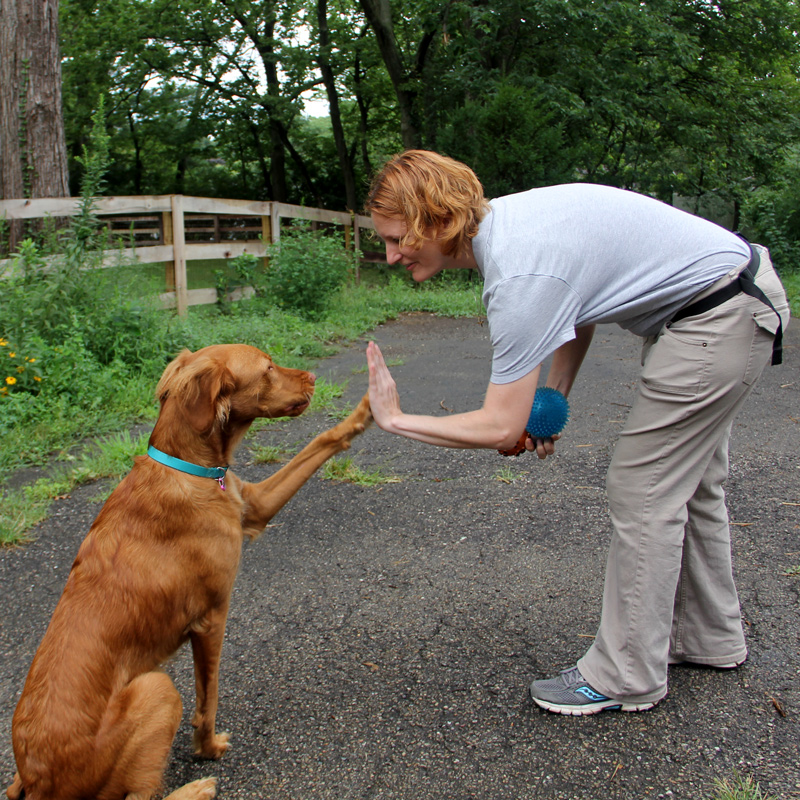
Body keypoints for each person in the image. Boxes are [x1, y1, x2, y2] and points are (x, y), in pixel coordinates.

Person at [364, 149, 790, 716]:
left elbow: (499, 424)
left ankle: (625, 676)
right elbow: (576, 309)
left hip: (716, 317)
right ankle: (709, 638)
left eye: (399, 239)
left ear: (438, 222)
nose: (391, 256)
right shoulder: (509, 227)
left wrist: (396, 420)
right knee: (691, 484)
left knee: (645, 490)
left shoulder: (520, 271)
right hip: (725, 299)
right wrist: (553, 398)